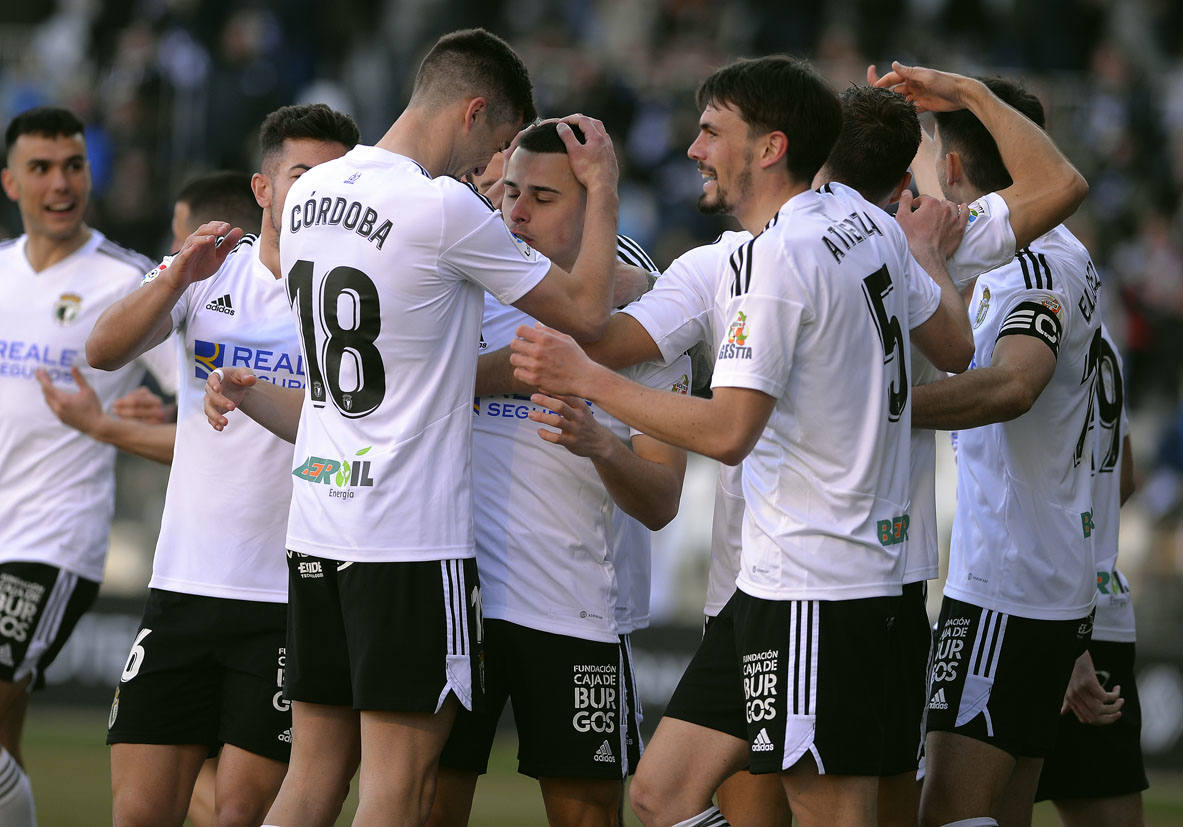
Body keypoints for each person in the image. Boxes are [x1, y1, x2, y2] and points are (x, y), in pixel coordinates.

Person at [509, 55, 972, 826]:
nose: (692, 149)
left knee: (830, 813)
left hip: (819, 582)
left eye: (710, 131)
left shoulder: (778, 258)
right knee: (661, 794)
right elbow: (954, 346)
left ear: (769, 148)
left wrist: (584, 381)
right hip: (779, 583)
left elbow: (727, 431)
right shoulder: (863, 225)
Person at [204, 28, 624, 826]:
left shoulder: (309, 195)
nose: (490, 170)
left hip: (319, 523)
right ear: (472, 113)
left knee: (311, 777)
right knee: (397, 789)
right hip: (406, 539)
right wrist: (601, 188)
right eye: (496, 145)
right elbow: (588, 312)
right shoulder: (442, 207)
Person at [85, 103, 359, 827]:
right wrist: (175, 279)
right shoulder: (208, 273)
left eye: (336, 177)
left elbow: (349, 436)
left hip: (288, 595)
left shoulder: (355, 298)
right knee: (138, 813)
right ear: (263, 188)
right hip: (182, 583)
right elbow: (102, 349)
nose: (319, 191)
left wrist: (252, 391)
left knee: (239, 813)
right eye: (303, 174)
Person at [427, 121, 689, 827]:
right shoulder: (461, 286)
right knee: (423, 806)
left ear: (595, 207)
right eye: (509, 192)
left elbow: (662, 500)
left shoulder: (649, 321)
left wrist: (600, 443)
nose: (515, 212)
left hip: (574, 608)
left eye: (542, 197)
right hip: (460, 599)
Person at [875, 65, 1101, 826]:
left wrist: (878, 411)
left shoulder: (1031, 261)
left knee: (944, 812)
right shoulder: (1058, 253)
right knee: (997, 813)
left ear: (953, 167)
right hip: (1043, 579)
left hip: (1007, 583)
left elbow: (1012, 385)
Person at [0, 105, 175, 826]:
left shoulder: (126, 278)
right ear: (11, 181)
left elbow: (201, 390)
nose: (60, 182)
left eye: (73, 165)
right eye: (41, 168)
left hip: (52, 534)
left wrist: (159, 414)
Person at [39, 170, 264, 467]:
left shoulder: (292, 299)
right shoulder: (181, 292)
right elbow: (101, 351)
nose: (173, 250)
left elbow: (227, 441)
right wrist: (174, 412)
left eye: (180, 237)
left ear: (215, 237)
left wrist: (101, 427)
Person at [1034, 324, 1147, 825]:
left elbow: (1036, 487)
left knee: (959, 802)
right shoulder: (1107, 345)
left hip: (1035, 606)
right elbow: (1125, 479)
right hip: (1106, 605)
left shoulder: (1018, 335)